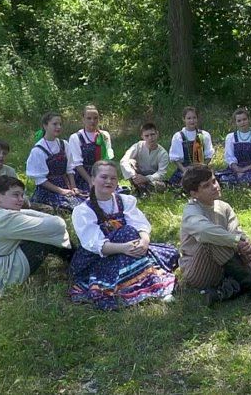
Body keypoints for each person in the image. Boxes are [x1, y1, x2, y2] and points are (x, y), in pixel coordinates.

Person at [69, 161, 178, 310]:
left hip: (129, 248)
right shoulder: (83, 211)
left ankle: (140, 279)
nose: (109, 181)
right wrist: (124, 248)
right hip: (98, 258)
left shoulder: (125, 201)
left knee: (167, 250)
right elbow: (94, 244)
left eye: (113, 178)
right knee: (126, 232)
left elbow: (140, 224)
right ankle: (153, 286)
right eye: (104, 177)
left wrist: (144, 241)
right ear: (93, 180)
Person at [179, 164, 251, 309]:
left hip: (228, 265)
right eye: (206, 185)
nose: (214, 186)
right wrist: (235, 241)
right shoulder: (191, 211)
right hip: (200, 270)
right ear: (194, 193)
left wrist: (245, 244)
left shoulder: (223, 206)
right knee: (213, 240)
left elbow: (236, 231)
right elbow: (204, 232)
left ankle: (223, 291)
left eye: (214, 181)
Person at [0, 176, 73, 291]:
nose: (21, 199)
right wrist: (47, 217)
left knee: (37, 232)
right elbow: (58, 225)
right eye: (16, 195)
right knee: (45, 235)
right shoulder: (6, 218)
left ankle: (75, 261)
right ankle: (76, 263)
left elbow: (22, 214)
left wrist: (23, 212)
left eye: (22, 195)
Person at [26, 112, 86, 212]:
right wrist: (62, 191)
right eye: (55, 124)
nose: (58, 127)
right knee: (74, 207)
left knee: (86, 202)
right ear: (45, 126)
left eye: (60, 124)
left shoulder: (64, 144)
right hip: (48, 190)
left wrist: (73, 187)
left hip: (65, 185)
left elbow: (70, 169)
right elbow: (41, 180)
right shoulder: (38, 150)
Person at [69, 105, 115, 193]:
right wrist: (91, 181)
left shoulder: (104, 135)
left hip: (103, 172)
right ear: (83, 119)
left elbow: (108, 158)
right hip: (84, 176)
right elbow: (77, 164)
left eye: (95, 118)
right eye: (89, 118)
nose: (92, 121)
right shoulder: (76, 138)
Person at [215, 108, 251, 187]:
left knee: (250, 179)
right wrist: (237, 169)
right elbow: (229, 156)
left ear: (249, 120)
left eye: (244, 119)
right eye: (239, 121)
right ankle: (235, 182)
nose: (242, 122)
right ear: (235, 122)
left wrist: (244, 170)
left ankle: (237, 183)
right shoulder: (231, 137)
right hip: (235, 168)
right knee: (221, 178)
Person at [169, 106, 214, 186]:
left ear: (197, 118)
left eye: (194, 118)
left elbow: (209, 155)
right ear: (184, 119)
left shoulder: (205, 135)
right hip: (185, 169)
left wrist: (202, 168)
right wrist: (184, 170)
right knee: (179, 184)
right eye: (189, 118)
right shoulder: (178, 136)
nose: (192, 121)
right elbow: (176, 159)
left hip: (201, 168)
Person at [120, 122, 170, 194]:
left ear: (157, 134)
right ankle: (139, 187)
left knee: (161, 186)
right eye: (146, 136)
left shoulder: (163, 153)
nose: (150, 138)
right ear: (142, 137)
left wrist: (146, 178)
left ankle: (141, 189)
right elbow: (124, 160)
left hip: (152, 179)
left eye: (152, 134)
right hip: (137, 175)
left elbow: (161, 173)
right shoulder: (138, 146)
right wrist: (134, 175)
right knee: (130, 162)